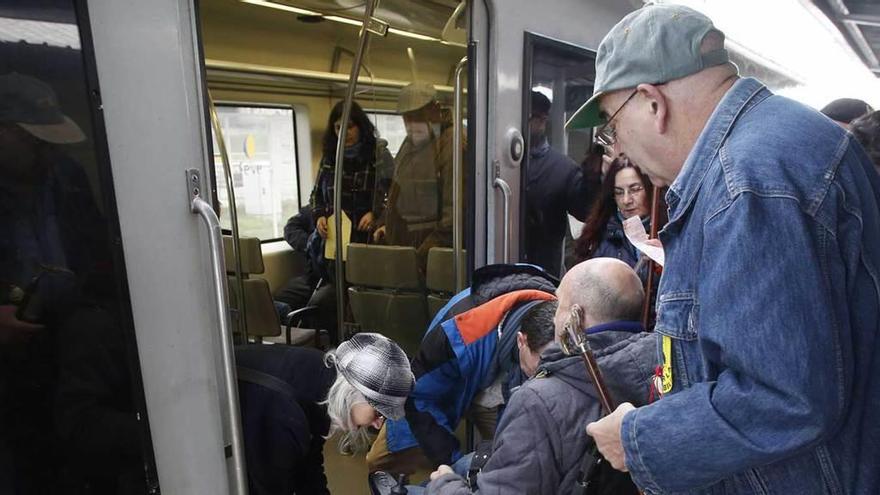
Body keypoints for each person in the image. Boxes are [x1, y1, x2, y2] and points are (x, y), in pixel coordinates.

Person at [566, 4, 880, 494]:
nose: (618, 146)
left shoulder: (747, 183)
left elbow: (784, 398)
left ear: (653, 102)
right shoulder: (784, 144)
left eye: (611, 124)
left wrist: (638, 439)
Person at [424, 258, 655, 495]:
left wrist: (444, 485)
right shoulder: (663, 374)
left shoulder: (539, 401)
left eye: (560, 305)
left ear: (575, 316)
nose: (554, 318)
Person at [365, 264, 558, 475]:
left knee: (514, 466)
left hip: (499, 391)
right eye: (541, 366)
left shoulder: (563, 318)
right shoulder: (459, 330)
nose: (544, 376)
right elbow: (418, 398)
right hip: (444, 386)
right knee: (379, 464)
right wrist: (451, 466)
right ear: (522, 341)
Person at [235, 333, 413, 495]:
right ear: (354, 390)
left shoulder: (324, 382)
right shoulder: (284, 414)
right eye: (377, 413)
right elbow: (270, 487)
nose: (378, 424)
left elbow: (309, 468)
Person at [374, 82, 459, 268]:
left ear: (435, 110)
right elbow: (398, 189)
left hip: (429, 257)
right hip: (404, 249)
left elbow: (453, 215)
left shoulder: (452, 144)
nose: (412, 124)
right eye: (407, 118)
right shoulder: (410, 143)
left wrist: (422, 257)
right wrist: (386, 224)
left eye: (418, 116)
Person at [524, 91, 601, 276]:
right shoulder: (497, 162)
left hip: (542, 274)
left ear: (542, 121)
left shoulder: (564, 169)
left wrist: (592, 178)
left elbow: (587, 212)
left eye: (529, 117)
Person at [310, 100, 393, 244]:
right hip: (335, 240)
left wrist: (377, 214)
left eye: (349, 127)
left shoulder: (379, 155)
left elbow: (396, 196)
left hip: (368, 238)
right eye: (338, 128)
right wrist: (319, 216)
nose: (343, 133)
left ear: (360, 127)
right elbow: (317, 195)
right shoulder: (330, 158)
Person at [574, 155, 664, 266]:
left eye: (635, 190)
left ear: (651, 189)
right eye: (619, 192)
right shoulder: (599, 234)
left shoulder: (671, 233)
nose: (626, 200)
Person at [273, 206, 336, 333]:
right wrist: (311, 243)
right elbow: (290, 228)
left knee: (320, 302)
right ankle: (291, 337)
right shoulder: (315, 208)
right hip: (313, 275)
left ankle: (316, 342)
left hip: (334, 278)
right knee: (280, 299)